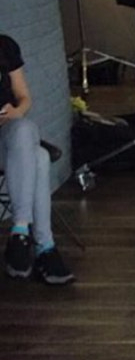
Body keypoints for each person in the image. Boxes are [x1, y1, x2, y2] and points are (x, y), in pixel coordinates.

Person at [0, 34, 75, 285]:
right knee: (40, 157)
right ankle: (44, 247)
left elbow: (24, 98)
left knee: (25, 129)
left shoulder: (5, 45)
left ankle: (21, 232)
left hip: (9, 133)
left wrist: (15, 112)